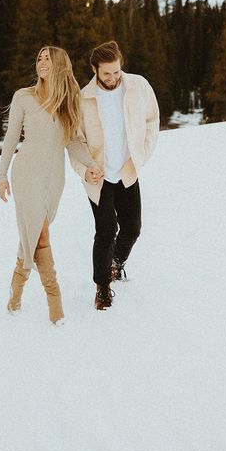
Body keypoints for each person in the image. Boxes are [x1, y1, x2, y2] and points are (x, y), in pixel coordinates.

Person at [0, 46, 101, 325]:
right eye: (39, 58)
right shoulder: (24, 97)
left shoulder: (68, 102)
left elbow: (73, 142)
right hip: (26, 174)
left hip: (54, 178)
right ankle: (56, 305)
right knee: (41, 235)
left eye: (47, 58)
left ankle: (15, 292)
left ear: (59, 65)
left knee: (31, 235)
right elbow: (10, 139)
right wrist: (1, 175)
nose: (41, 62)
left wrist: (90, 164)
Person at [69, 41, 160, 310]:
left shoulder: (138, 86)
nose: (112, 78)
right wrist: (85, 169)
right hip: (98, 177)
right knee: (106, 231)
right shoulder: (82, 98)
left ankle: (116, 264)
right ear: (94, 69)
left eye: (117, 72)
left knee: (133, 229)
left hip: (127, 171)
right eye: (106, 73)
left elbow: (151, 122)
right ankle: (102, 287)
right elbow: (75, 140)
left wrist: (140, 156)